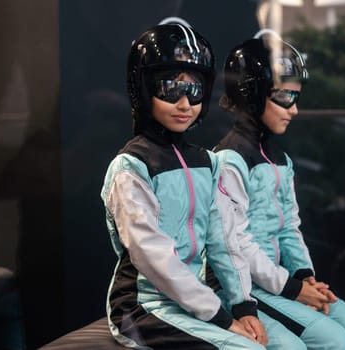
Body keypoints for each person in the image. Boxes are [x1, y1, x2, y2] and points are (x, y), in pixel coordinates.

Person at [100, 21, 302, 349]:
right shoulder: (131, 167)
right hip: (143, 306)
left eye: (194, 90)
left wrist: (243, 306)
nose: (184, 104)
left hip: (197, 299)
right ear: (144, 88)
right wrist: (222, 318)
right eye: (169, 89)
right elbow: (155, 259)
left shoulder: (208, 162)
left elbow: (224, 240)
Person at [212, 30, 345, 350]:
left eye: (296, 97)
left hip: (282, 281)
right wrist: (294, 289)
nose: (294, 109)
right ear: (252, 94)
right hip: (246, 287)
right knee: (334, 340)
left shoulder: (281, 159)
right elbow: (237, 245)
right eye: (285, 96)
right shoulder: (229, 160)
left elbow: (289, 227)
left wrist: (305, 276)